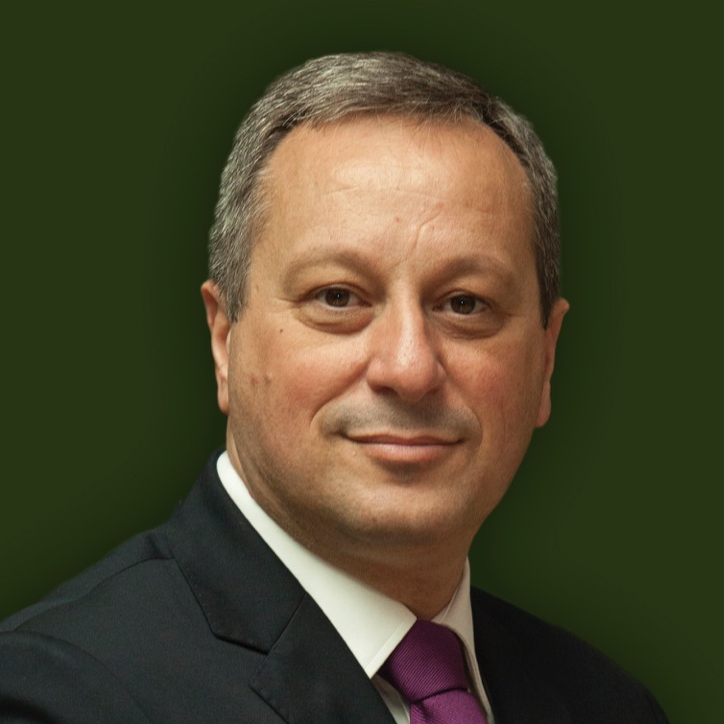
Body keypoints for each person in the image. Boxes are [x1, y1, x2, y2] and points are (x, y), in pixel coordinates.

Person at [0, 52, 669, 723]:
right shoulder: (56, 697)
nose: (408, 369)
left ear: (546, 359)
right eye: (338, 297)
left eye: (465, 304)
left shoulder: (608, 705)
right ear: (224, 340)